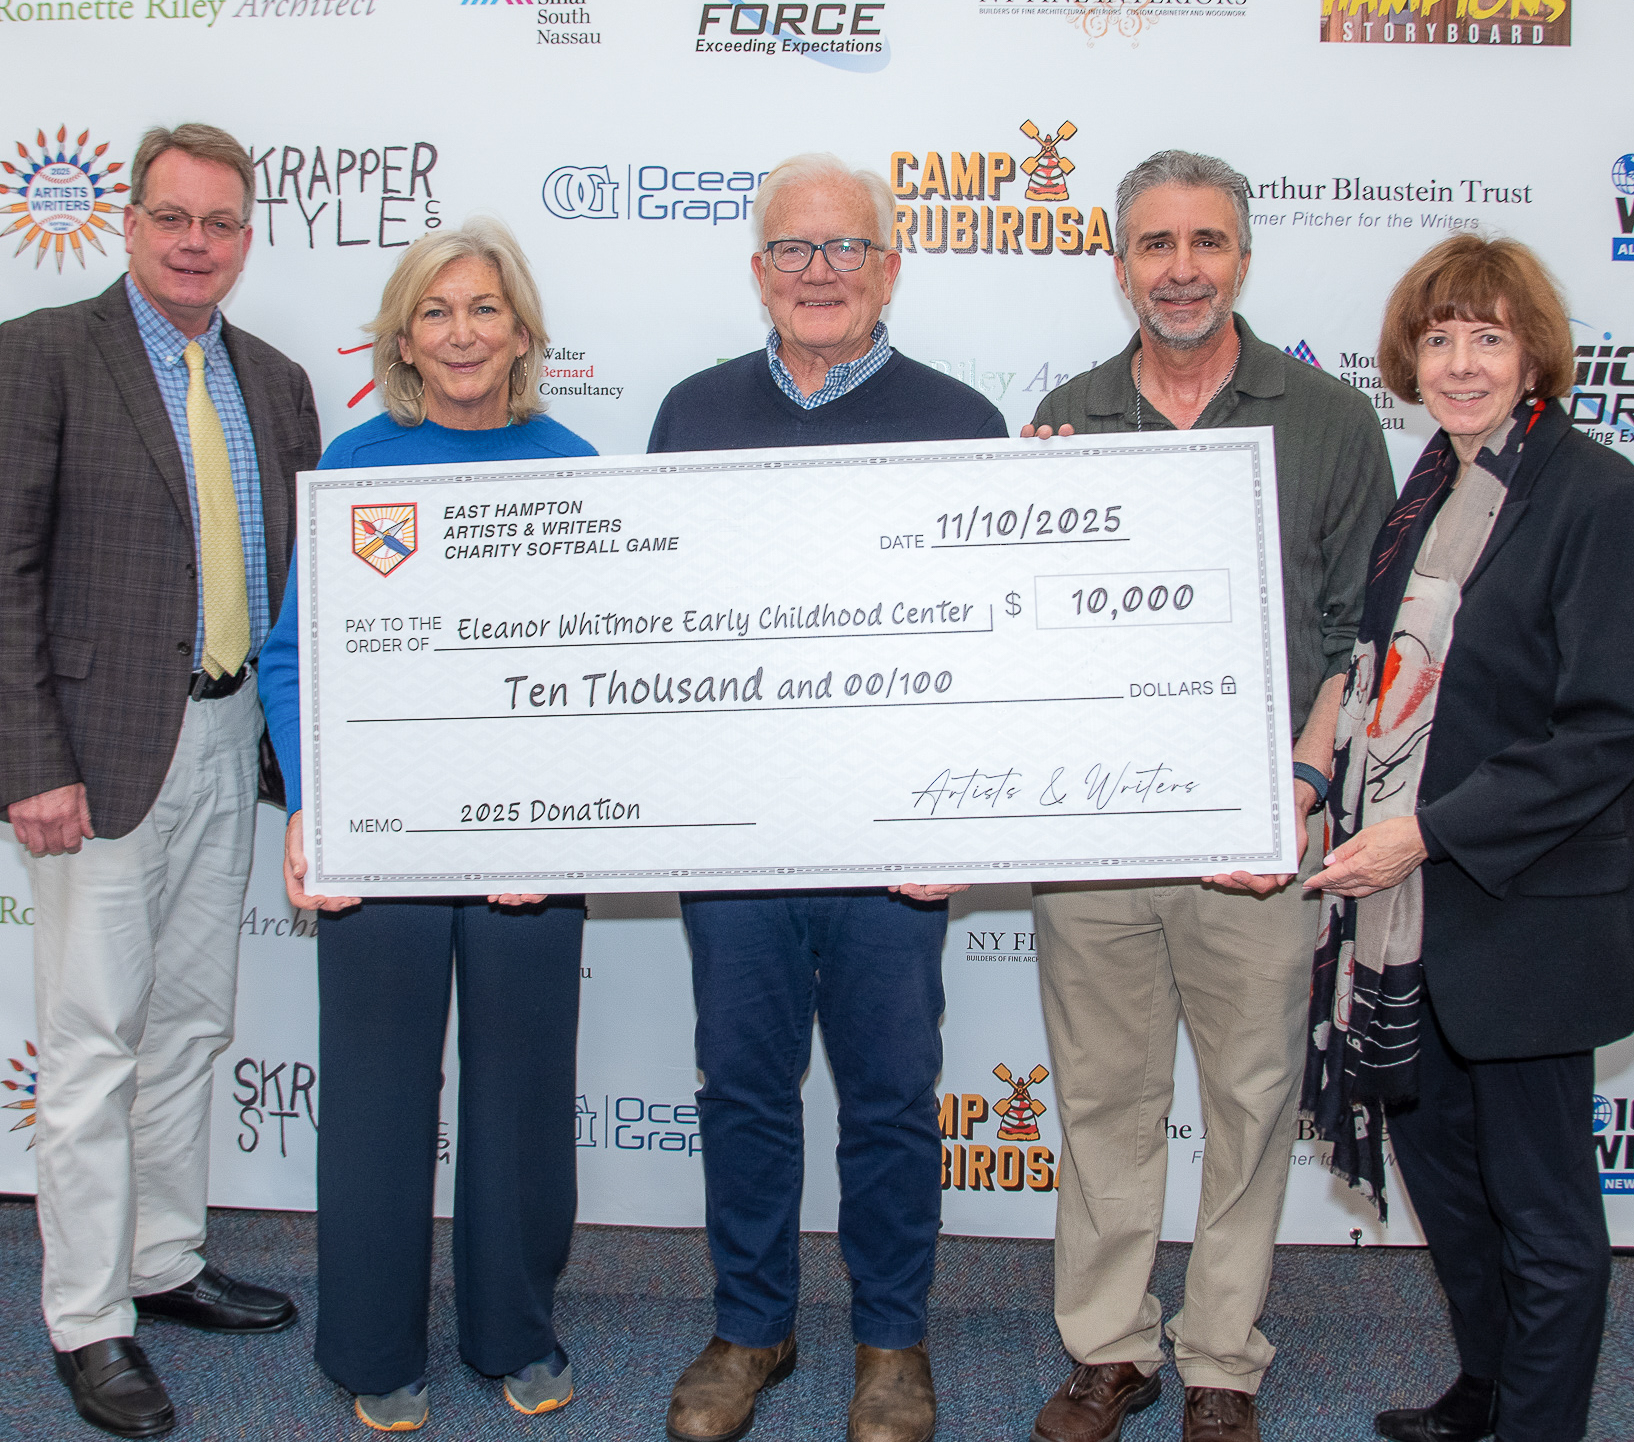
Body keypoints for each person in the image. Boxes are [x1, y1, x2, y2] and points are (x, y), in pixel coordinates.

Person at [1019, 149, 1396, 1442]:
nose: (1182, 268)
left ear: (1244, 257)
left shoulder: (1332, 421)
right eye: (1157, 243)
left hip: (1264, 829)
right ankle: (1109, 1347)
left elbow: (1365, 638)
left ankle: (1223, 1355)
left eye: (1208, 242)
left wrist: (1299, 784)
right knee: (1104, 1100)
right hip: (1098, 835)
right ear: (1118, 261)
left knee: (1249, 1100)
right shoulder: (1066, 417)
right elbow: (1025, 639)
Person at [0, 123, 321, 1438]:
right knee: (94, 1042)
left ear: (244, 236)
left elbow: (306, 590)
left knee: (187, 1023)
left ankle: (164, 1262)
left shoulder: (274, 382)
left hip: (230, 744)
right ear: (130, 221)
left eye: (219, 222)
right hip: (96, 758)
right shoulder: (45, 353)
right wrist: (33, 759)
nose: (194, 241)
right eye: (172, 215)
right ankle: (88, 1318)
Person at [647, 152, 1008, 1442]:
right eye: (791, 250)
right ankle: (751, 1326)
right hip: (735, 832)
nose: (817, 271)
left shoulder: (963, 421)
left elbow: (991, 644)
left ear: (889, 266)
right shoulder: (688, 415)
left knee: (889, 1093)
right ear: (756, 272)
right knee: (741, 1085)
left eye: (844, 247)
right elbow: (657, 633)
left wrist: (963, 811)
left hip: (891, 836)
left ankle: (890, 1342)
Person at [1303, 234, 1634, 1442]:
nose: (1459, 363)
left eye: (1487, 337)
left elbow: (1604, 729)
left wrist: (1416, 833)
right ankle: (1486, 1391)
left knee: (1542, 1212)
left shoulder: (1595, 493)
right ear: (1407, 358)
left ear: (1532, 354)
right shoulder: (1426, 493)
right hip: (1410, 920)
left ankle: (1536, 1425)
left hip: (1529, 910)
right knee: (1454, 1196)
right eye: (1437, 337)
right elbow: (1380, 684)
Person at [259, 218, 594, 1434]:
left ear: (521, 332)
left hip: (527, 845)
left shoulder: (575, 464)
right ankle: (370, 1347)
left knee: (518, 1093)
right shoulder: (356, 462)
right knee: (375, 1093)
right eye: (437, 311)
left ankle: (515, 1329)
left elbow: (602, 664)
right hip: (383, 835)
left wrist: (556, 823)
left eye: (484, 309)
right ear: (404, 336)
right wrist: (316, 802)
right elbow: (294, 658)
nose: (462, 332)